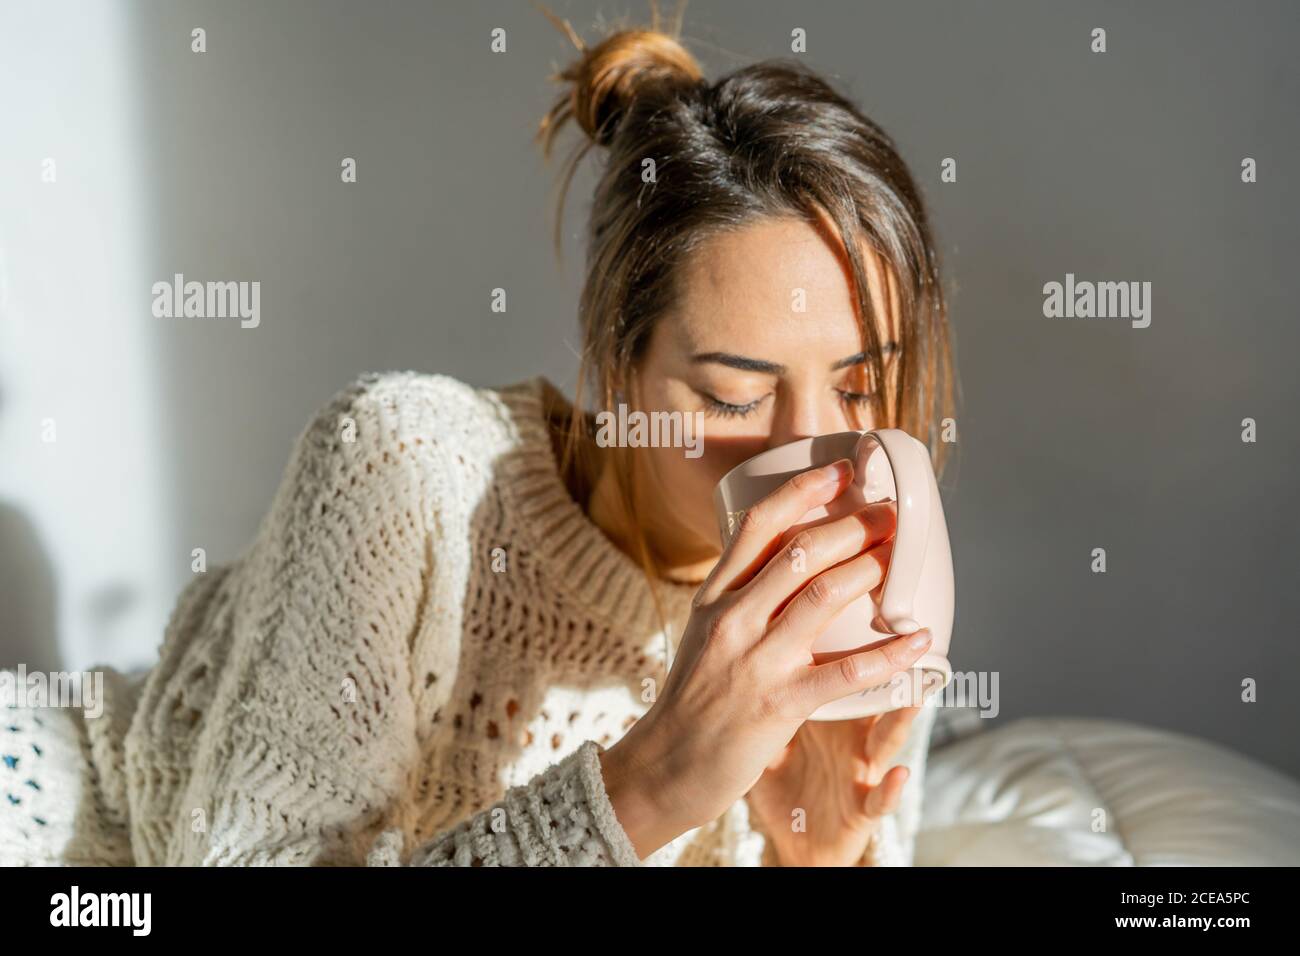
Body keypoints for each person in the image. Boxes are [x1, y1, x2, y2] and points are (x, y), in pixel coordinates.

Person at [0, 13, 955, 867]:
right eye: (735, 395)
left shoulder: (875, 575)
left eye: (862, 385)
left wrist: (821, 853)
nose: (815, 456)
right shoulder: (407, 469)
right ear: (616, 367)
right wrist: (649, 784)